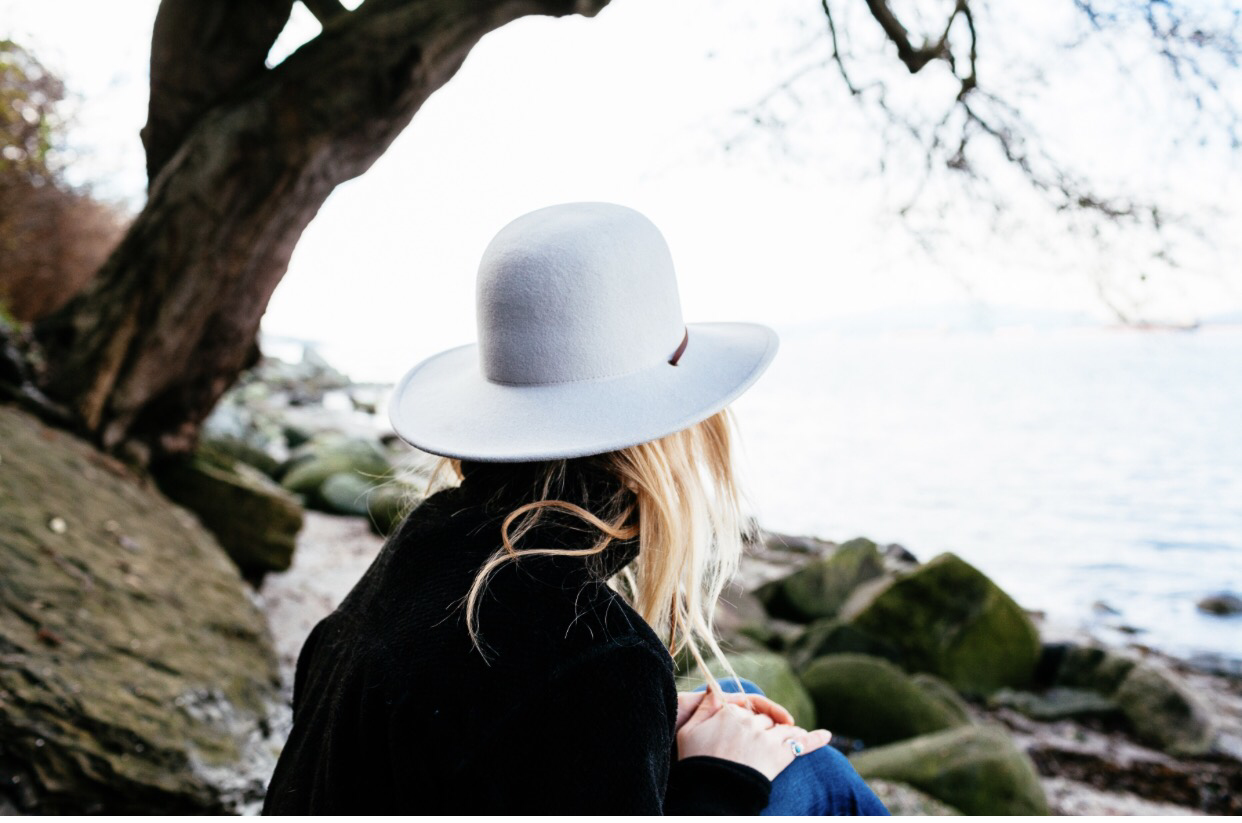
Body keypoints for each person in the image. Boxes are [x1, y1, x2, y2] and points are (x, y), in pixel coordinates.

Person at [262, 203, 888, 815]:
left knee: (736, 701)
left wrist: (643, 726)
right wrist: (721, 779)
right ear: (673, 440)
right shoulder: (596, 653)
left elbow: (468, 727)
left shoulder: (423, 551)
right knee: (817, 775)